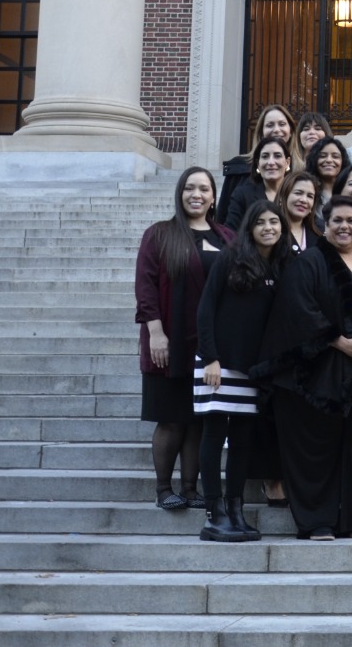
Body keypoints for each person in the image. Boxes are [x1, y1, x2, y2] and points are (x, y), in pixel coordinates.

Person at [253, 196, 352, 540]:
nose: (344, 227)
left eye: (351, 220)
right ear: (325, 223)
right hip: (322, 373)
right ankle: (317, 521)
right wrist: (338, 341)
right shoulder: (309, 262)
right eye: (337, 220)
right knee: (317, 449)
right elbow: (300, 310)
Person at [135, 167, 234, 512]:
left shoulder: (227, 237)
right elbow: (145, 286)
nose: (197, 194)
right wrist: (155, 332)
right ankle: (164, 488)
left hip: (210, 345)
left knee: (198, 419)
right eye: (190, 188)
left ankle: (191, 488)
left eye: (204, 189)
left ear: (213, 196)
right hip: (170, 339)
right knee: (171, 418)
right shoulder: (160, 234)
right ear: (179, 193)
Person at [195, 201, 290, 542]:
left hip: (254, 370)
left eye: (274, 222)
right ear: (250, 227)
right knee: (213, 434)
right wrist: (210, 358)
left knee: (242, 442)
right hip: (218, 365)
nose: (268, 227)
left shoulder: (281, 265)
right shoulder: (230, 258)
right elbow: (205, 309)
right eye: (261, 222)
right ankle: (213, 514)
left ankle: (235, 511)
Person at [218, 103, 298, 224]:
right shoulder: (239, 169)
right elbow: (223, 219)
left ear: (291, 131)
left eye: (282, 124)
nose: (276, 130)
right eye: (270, 125)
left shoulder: (302, 170)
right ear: (261, 133)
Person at [224, 135, 291, 231]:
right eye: (265, 156)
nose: (271, 162)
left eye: (277, 156)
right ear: (258, 164)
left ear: (287, 162)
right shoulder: (242, 195)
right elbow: (230, 234)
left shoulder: (297, 194)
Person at [278, 171, 321, 255]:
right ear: (283, 196)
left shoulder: (320, 232)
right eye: (298, 193)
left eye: (310, 196)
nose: (304, 200)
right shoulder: (271, 229)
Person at [305, 137, 350, 207]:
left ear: (343, 162)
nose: (329, 160)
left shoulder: (350, 191)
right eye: (322, 156)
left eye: (335, 156)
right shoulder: (307, 190)